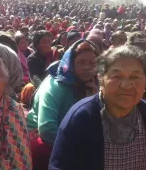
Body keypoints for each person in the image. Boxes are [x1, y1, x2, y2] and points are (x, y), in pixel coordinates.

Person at [49, 45, 146, 170]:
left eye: (135, 77)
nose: (127, 85)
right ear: (101, 78)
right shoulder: (81, 117)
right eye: (117, 76)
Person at [26, 40, 99, 170]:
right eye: (81, 62)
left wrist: (95, 97)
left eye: (92, 63)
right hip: (45, 142)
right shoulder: (55, 86)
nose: (87, 67)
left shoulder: (93, 85)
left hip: (73, 140)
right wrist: (80, 150)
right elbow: (47, 129)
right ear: (70, 63)